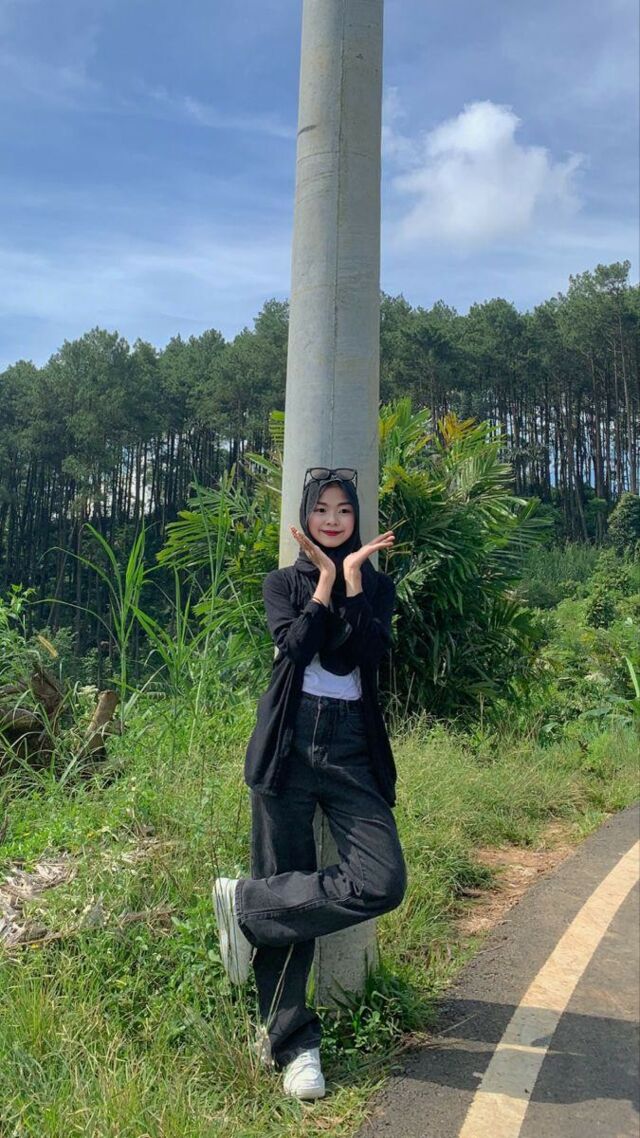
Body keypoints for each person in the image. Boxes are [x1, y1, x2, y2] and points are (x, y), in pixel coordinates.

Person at [212, 466, 408, 1100]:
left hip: (352, 747)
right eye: (321, 509)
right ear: (305, 517)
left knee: (381, 879)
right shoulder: (282, 583)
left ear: (357, 519)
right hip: (289, 742)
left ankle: (246, 906)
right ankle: (294, 1046)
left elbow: (359, 657)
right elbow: (295, 650)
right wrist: (322, 585)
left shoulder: (376, 586)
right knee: (287, 876)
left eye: (343, 510)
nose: (332, 520)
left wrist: (351, 584)